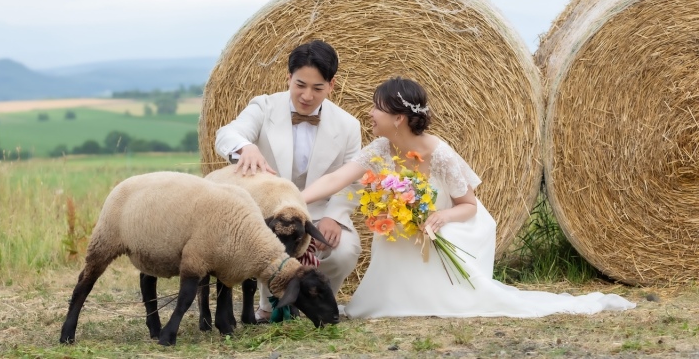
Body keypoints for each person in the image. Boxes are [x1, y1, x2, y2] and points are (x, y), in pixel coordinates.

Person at [301, 77, 636, 318]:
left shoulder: (439, 153)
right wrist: (296, 200)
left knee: (431, 232)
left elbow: (468, 205)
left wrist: (438, 216)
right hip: (408, 229)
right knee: (389, 227)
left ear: (398, 118)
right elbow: (336, 179)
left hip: (451, 225)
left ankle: (437, 295)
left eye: (377, 108)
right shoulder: (380, 148)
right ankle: (396, 297)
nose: (370, 113)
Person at [215, 40, 362, 322]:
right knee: (273, 242)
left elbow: (353, 181)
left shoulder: (348, 126)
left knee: (344, 251)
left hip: (318, 214)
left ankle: (315, 305)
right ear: (288, 78)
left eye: (317, 88)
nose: (307, 95)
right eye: (300, 85)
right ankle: (271, 305)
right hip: (266, 214)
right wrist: (246, 147)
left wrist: (335, 217)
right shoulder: (263, 107)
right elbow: (227, 133)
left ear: (332, 85)